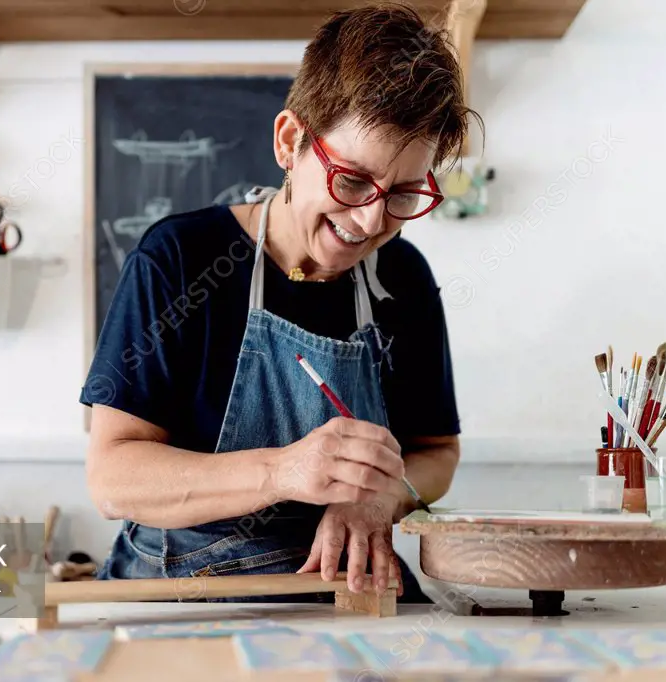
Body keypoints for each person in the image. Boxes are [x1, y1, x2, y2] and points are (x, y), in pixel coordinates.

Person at [80, 2, 477, 604]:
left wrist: (379, 493)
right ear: (290, 142)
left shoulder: (405, 278)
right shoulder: (181, 259)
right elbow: (112, 478)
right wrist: (285, 471)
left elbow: (436, 454)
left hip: (346, 596)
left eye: (401, 194)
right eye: (350, 181)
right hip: (183, 598)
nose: (371, 220)